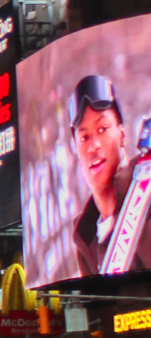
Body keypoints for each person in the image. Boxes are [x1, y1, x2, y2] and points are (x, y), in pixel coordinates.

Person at [65, 77, 151, 277]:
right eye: (84, 137)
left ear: (122, 134)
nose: (93, 146)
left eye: (103, 129)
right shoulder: (84, 235)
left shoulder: (146, 187)